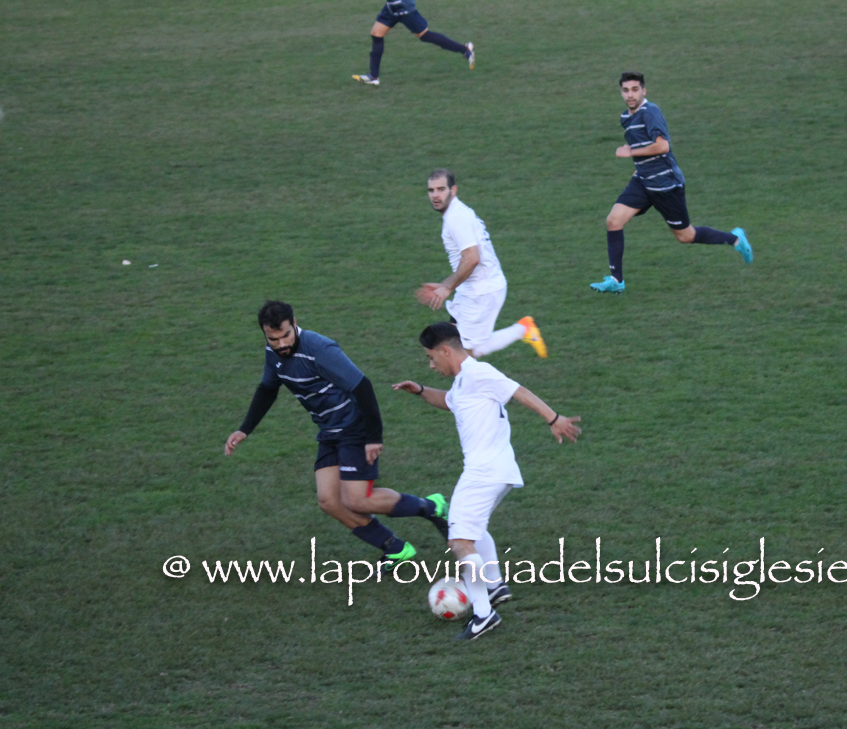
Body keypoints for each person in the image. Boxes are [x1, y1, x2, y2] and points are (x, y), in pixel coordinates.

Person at [393, 322, 581, 640]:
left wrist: (553, 418)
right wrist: (421, 391)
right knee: (473, 530)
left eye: (431, 357)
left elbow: (518, 391)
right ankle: (493, 586)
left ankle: (483, 614)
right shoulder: (464, 382)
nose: (431, 365)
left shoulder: (479, 373)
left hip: (484, 473)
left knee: (459, 541)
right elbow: (450, 401)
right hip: (496, 471)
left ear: (445, 351)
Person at [224, 301, 447, 568]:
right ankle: (395, 548)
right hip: (329, 431)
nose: (281, 344)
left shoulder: (319, 349)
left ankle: (432, 507)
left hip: (354, 427)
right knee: (329, 501)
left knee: (358, 499)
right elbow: (268, 388)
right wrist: (245, 429)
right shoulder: (273, 353)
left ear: (294, 323)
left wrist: (373, 437)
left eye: (286, 336)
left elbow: (362, 386)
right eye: (273, 339)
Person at [589, 72, 753, 294]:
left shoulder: (650, 112)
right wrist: (638, 168)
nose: (630, 95)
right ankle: (616, 281)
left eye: (635, 90)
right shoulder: (626, 117)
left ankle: (735, 239)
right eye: (626, 90)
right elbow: (643, 148)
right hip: (643, 181)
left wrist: (631, 152)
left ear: (644, 90)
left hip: (666, 185)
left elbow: (662, 146)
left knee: (685, 236)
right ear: (621, 93)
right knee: (613, 220)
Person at [417, 169, 547, 360]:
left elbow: (472, 258)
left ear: (453, 190)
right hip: (472, 289)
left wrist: (447, 288)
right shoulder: (457, 212)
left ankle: (522, 329)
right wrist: (445, 285)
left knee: (463, 356)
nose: (435, 195)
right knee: (455, 345)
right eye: (431, 190)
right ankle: (523, 329)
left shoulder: (455, 218)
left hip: (482, 292)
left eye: (441, 189)